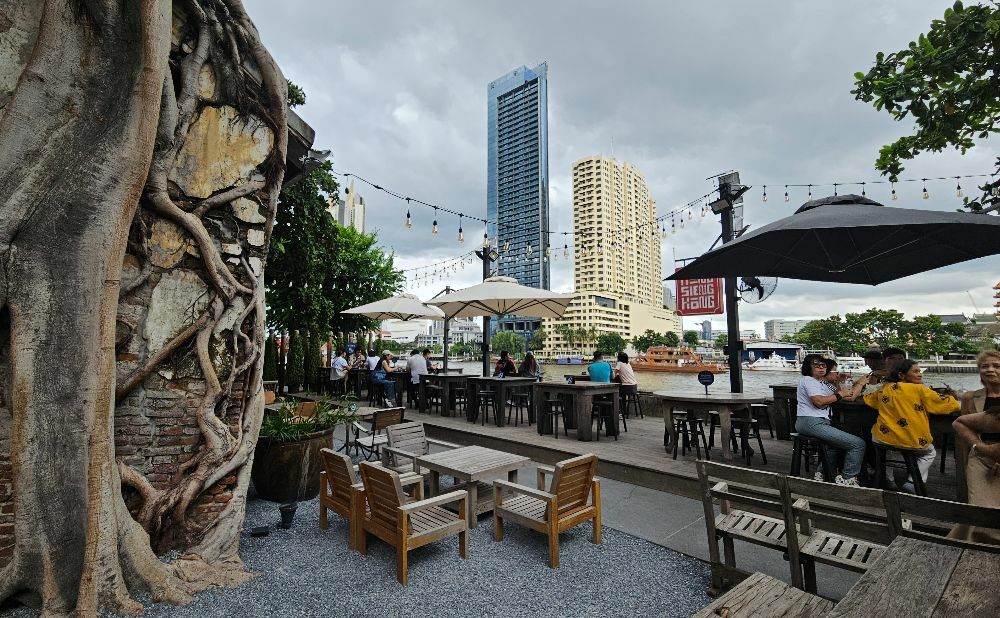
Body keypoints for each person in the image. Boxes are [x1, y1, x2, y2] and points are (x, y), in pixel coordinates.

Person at [859, 359, 960, 493]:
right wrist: (955, 398)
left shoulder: (886, 388)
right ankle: (912, 481)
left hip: (881, 438)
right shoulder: (920, 389)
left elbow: (869, 399)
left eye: (919, 371)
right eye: (916, 371)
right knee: (929, 453)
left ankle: (888, 479)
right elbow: (944, 404)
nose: (920, 374)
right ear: (902, 375)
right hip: (911, 440)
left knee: (890, 449)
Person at [795, 353, 868, 486]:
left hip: (814, 422)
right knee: (858, 444)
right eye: (816, 365)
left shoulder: (820, 382)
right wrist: (842, 393)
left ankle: (822, 473)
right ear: (808, 367)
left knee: (834, 444)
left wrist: (838, 381)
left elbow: (843, 395)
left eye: (823, 365)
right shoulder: (809, 380)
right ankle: (847, 479)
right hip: (811, 422)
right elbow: (819, 401)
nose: (821, 368)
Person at [950, 405, 1000, 545]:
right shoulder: (997, 418)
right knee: (981, 517)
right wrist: (982, 448)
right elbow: (959, 422)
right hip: (987, 466)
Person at [955, 350, 1000, 502]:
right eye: (985, 366)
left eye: (996, 366)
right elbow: (965, 431)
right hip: (980, 456)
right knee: (979, 507)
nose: (990, 369)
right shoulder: (970, 397)